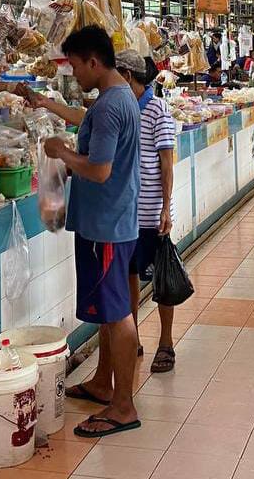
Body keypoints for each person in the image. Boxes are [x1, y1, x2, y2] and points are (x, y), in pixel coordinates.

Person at [40, 25, 143, 438]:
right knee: (109, 310)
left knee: (117, 316)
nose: (74, 75)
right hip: (113, 221)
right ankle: (104, 384)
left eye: (76, 66)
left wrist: (61, 152)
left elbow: (100, 170)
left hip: (107, 227)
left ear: (94, 62)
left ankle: (123, 406)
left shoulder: (109, 107)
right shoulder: (119, 98)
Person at [115, 52, 179, 373]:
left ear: (128, 76)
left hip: (152, 213)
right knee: (129, 276)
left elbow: (167, 162)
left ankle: (166, 343)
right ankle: (133, 339)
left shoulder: (158, 110)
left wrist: (166, 208)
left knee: (162, 280)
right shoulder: (125, 110)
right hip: (126, 214)